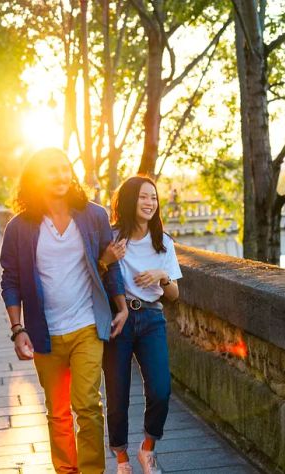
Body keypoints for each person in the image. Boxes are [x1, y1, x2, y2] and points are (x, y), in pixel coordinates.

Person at [0, 147, 129, 474]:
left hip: (87, 324)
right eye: (51, 170)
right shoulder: (19, 228)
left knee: (87, 406)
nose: (60, 176)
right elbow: (11, 281)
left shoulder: (93, 216)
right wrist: (18, 330)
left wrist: (122, 307)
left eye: (64, 168)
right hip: (45, 334)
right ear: (35, 179)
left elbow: (110, 263)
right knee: (57, 412)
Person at [99, 176, 182, 474]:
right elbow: (94, 276)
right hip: (118, 321)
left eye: (154, 198)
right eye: (143, 197)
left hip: (151, 319)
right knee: (118, 396)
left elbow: (174, 295)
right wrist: (106, 259)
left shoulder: (164, 242)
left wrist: (162, 274)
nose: (150, 203)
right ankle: (121, 459)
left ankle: (148, 448)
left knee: (161, 390)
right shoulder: (112, 238)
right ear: (130, 200)